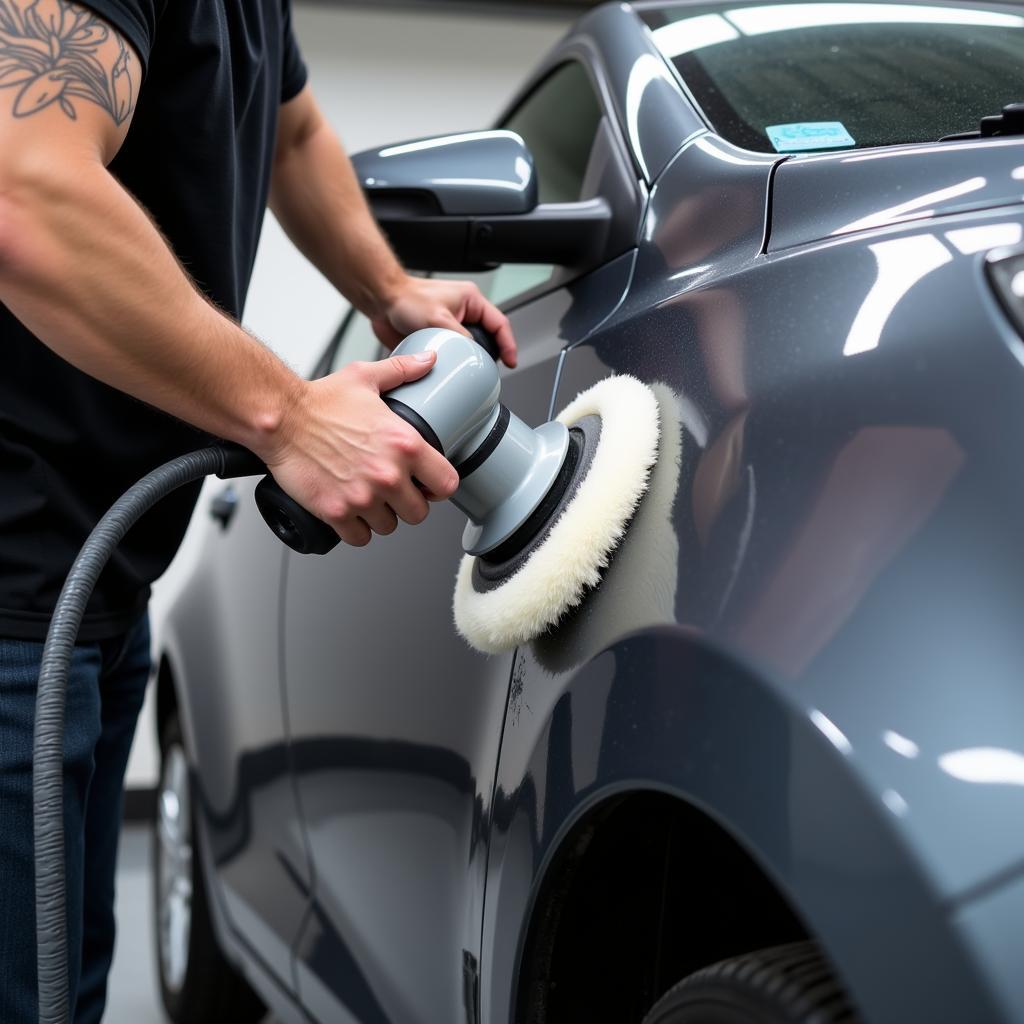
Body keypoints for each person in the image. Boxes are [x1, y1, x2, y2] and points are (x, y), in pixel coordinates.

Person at [0, 0, 516, 1019]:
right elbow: (25, 195)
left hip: (94, 591)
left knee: (66, 989)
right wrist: (288, 417)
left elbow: (294, 130)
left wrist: (391, 290)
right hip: (13, 598)